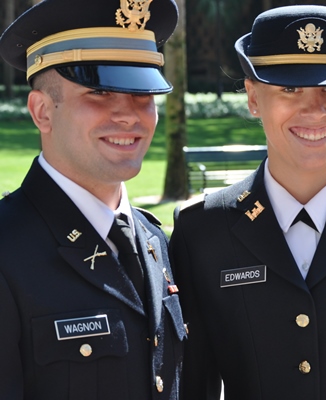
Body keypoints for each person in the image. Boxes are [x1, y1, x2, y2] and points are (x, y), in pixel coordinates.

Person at [170, 5, 326, 400]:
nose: (314, 109)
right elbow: (192, 384)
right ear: (253, 97)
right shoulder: (203, 231)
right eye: (290, 89)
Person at [0, 0, 187, 398]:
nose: (129, 115)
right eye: (100, 92)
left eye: (143, 94)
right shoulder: (7, 249)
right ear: (42, 111)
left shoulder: (152, 240)